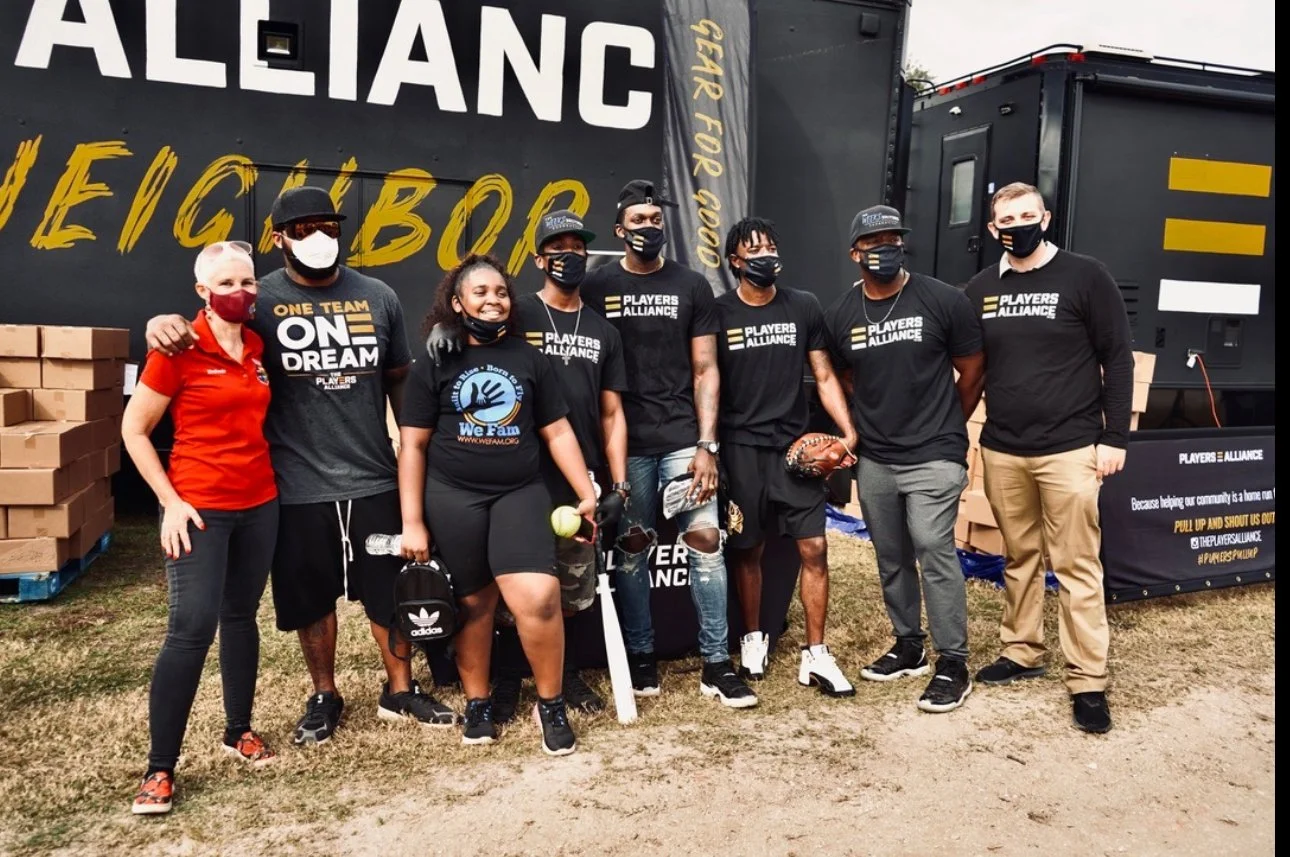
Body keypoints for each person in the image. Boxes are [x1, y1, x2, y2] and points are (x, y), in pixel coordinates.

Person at [144, 186, 453, 746]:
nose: (318, 239)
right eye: (304, 229)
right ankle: (324, 693)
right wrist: (160, 323)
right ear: (279, 238)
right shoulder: (259, 298)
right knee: (310, 595)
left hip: (373, 475)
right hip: (295, 482)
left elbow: (400, 381)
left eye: (328, 228)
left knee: (387, 588)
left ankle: (399, 688)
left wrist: (414, 455)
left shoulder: (378, 295)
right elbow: (209, 327)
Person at [397, 254, 599, 755]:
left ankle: (549, 704)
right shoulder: (435, 362)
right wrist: (412, 522)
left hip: (519, 492)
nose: (493, 300)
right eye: (480, 292)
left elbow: (556, 431)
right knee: (473, 604)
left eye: (502, 292)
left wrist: (585, 491)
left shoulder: (530, 358)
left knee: (539, 597)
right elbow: (414, 445)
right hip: (453, 496)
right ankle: (479, 703)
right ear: (457, 301)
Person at [580, 179, 756, 709]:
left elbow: (706, 368)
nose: (648, 228)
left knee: (706, 542)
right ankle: (641, 659)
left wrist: (708, 445)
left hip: (683, 437)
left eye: (655, 220)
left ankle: (716, 664)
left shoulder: (692, 285)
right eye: (637, 221)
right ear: (619, 229)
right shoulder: (596, 285)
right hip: (624, 443)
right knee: (633, 551)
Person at [964, 182, 1133, 734]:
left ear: (1046, 217)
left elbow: (1119, 360)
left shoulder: (1086, 276)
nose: (1017, 224)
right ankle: (1022, 650)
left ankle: (1088, 680)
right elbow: (967, 361)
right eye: (1006, 218)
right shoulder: (981, 288)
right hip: (1004, 448)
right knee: (1019, 556)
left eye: (1027, 215)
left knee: (1078, 565)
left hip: (1071, 448)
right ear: (993, 230)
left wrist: (1114, 440)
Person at [123, 241, 278, 815]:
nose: (242, 292)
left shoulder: (259, 345)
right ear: (202, 293)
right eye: (229, 283)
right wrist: (170, 502)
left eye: (249, 282)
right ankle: (160, 769)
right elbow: (134, 430)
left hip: (261, 503)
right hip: (200, 508)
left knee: (241, 617)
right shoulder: (177, 347)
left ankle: (238, 729)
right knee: (190, 629)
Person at [825, 205, 985, 713]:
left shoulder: (942, 300)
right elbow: (846, 374)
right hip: (876, 456)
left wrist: (946, 426)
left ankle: (953, 662)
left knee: (933, 546)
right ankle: (909, 644)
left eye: (893, 240)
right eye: (874, 243)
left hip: (935, 451)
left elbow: (973, 370)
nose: (885, 249)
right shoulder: (841, 314)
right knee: (890, 554)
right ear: (855, 254)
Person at [487, 209, 629, 723]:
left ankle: (564, 674)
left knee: (571, 589)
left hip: (579, 481)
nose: (569, 255)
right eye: (558, 247)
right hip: (519, 475)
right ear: (538, 257)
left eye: (577, 246)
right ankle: (507, 677)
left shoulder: (602, 329)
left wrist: (618, 482)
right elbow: (469, 343)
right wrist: (444, 336)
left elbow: (612, 412)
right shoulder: (516, 314)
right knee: (514, 588)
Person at [715, 217, 859, 694]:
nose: (765, 256)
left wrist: (846, 433)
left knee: (814, 548)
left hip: (796, 449)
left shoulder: (804, 305)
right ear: (734, 261)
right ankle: (753, 638)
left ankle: (816, 654)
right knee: (749, 549)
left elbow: (823, 374)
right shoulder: (718, 313)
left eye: (771, 247)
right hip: (741, 449)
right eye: (753, 250)